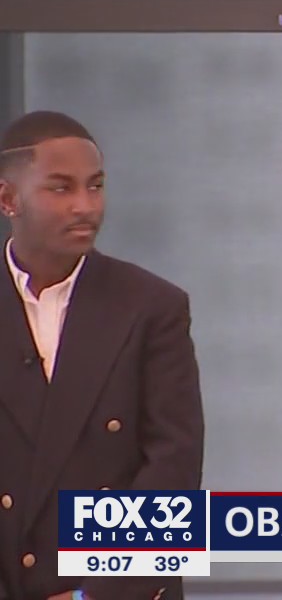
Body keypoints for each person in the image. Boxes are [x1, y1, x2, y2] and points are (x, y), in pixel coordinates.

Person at [0, 111, 204, 600]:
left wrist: (91, 595)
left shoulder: (152, 306)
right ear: (8, 198)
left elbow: (173, 471)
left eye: (95, 186)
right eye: (61, 188)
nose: (85, 206)